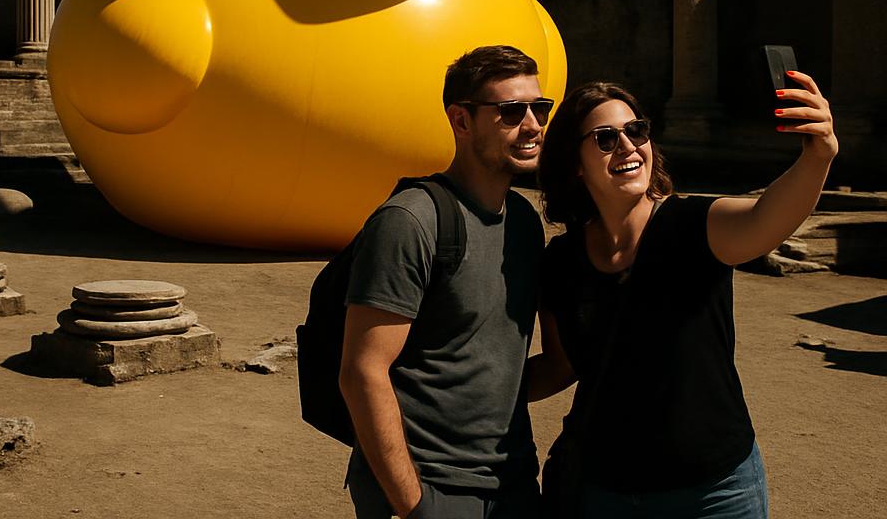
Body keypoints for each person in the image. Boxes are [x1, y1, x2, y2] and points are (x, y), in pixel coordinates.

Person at [527, 70, 837, 518]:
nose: (628, 146)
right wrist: (458, 391)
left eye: (636, 131)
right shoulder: (561, 259)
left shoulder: (695, 225)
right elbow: (562, 364)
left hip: (714, 494)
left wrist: (818, 156)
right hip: (604, 491)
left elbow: (768, 216)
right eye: (605, 138)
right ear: (575, 163)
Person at [339, 45, 551, 519]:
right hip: (431, 486)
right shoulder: (410, 221)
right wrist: (415, 506)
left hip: (512, 482)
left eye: (540, 108)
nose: (533, 125)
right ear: (461, 121)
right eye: (511, 111)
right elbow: (362, 372)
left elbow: (499, 367)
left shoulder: (522, 221)